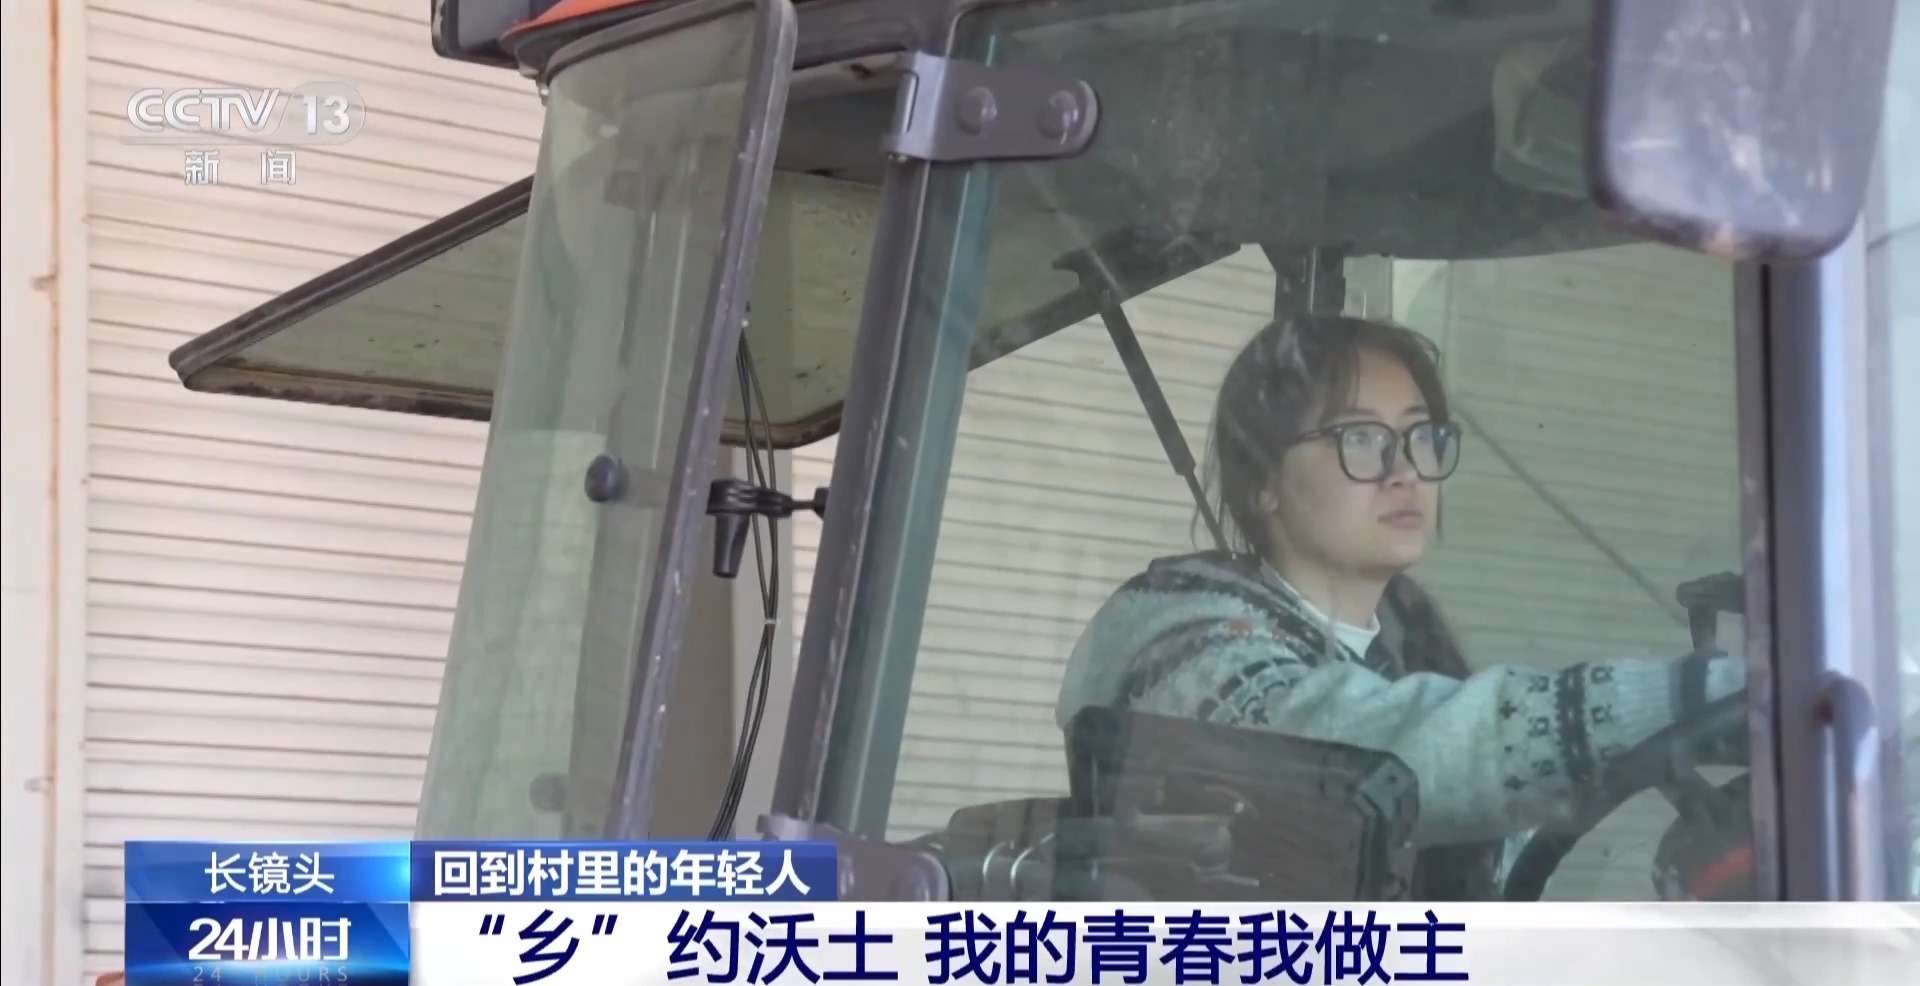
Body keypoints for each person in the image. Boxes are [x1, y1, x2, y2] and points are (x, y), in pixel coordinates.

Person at [1054, 313, 1748, 898]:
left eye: (1422, 436)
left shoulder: (1409, 654)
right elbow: (1360, 759)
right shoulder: (1182, 645)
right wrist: (1690, 699)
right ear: (1264, 480)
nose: (1406, 470)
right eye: (1359, 438)